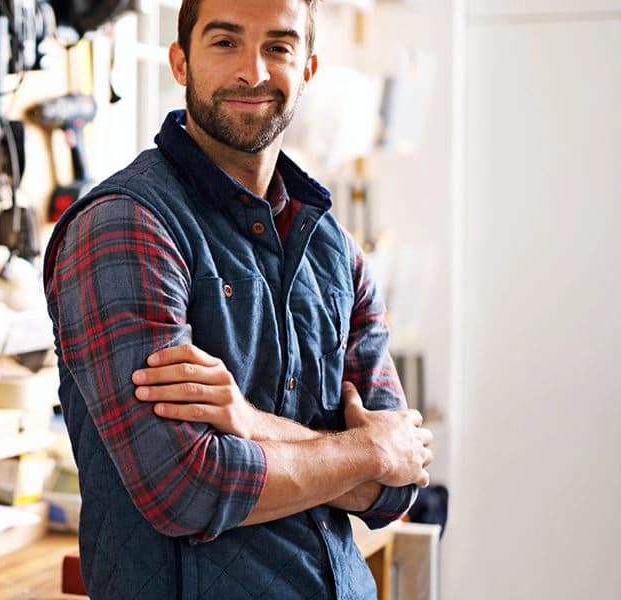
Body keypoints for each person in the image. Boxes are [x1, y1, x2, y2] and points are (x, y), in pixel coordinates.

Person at [42, 0, 434, 597]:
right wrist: (366, 451)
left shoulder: (335, 249)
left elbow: (400, 485)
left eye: (278, 47)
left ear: (307, 68)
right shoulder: (126, 225)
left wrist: (248, 425)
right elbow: (187, 488)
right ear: (181, 62)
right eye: (225, 43)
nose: (252, 71)